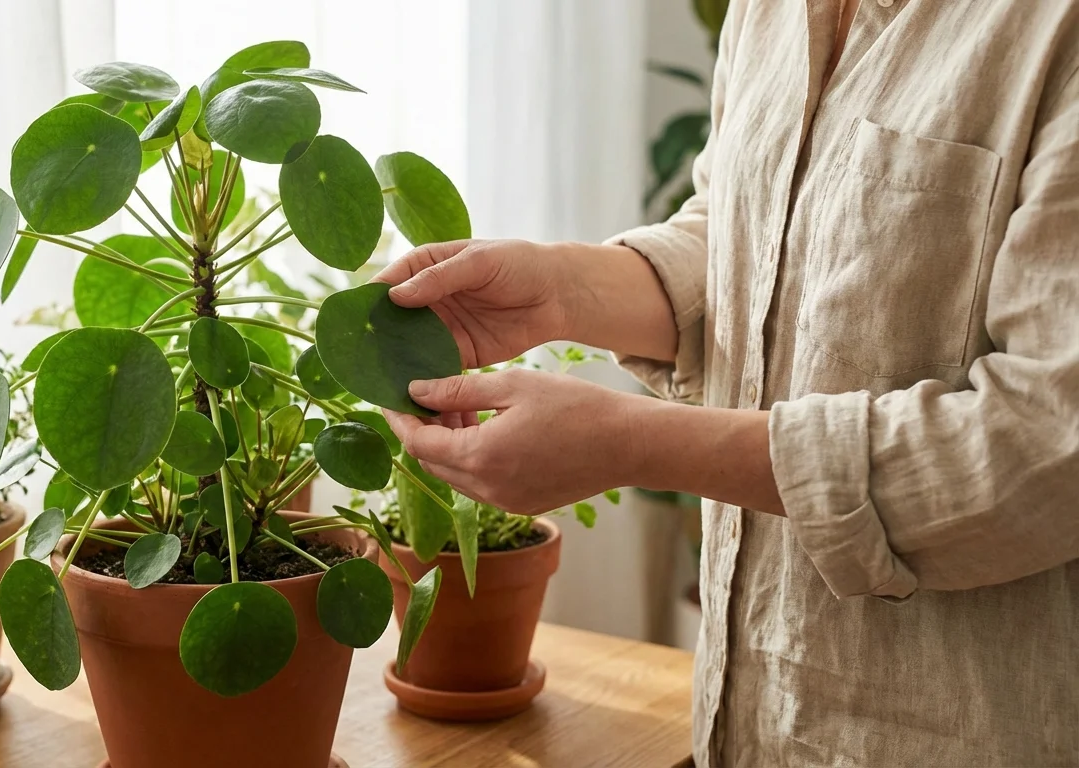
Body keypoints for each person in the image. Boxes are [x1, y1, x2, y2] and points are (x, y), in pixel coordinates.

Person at [375, 1, 1079, 765]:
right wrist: (564, 290)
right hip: (747, 720)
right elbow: (749, 237)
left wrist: (630, 444)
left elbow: (1046, 446)